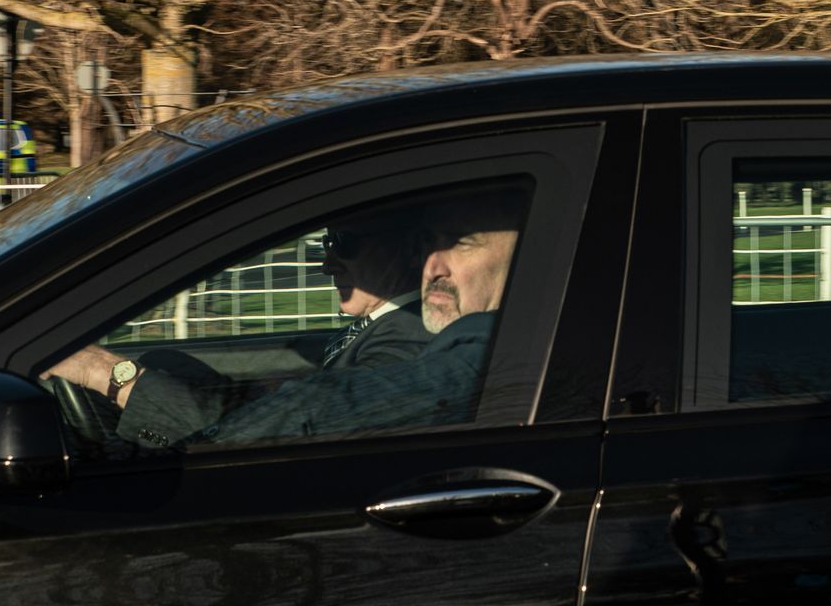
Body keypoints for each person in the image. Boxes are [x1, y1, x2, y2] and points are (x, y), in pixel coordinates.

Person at [43, 186, 526, 448]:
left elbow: (297, 426)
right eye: (326, 244)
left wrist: (104, 373)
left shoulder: (410, 345)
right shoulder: (389, 328)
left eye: (345, 244)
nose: (327, 261)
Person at [317, 218, 429, 369]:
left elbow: (362, 388)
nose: (327, 267)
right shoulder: (382, 325)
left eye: (344, 243)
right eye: (328, 244)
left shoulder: (407, 336)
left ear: (413, 248)